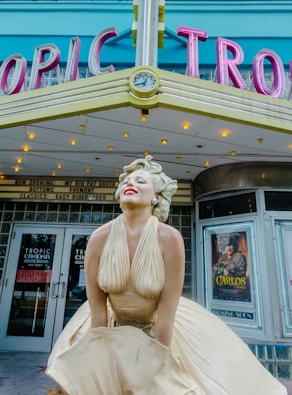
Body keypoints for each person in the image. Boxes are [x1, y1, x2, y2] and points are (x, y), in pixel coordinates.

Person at [46, 155, 287, 395]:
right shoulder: (99, 237)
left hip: (159, 328)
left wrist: (155, 366)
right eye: (126, 182)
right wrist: (100, 362)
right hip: (109, 328)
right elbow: (98, 313)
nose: (130, 184)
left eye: (140, 181)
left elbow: (166, 315)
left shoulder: (170, 239)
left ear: (157, 197)